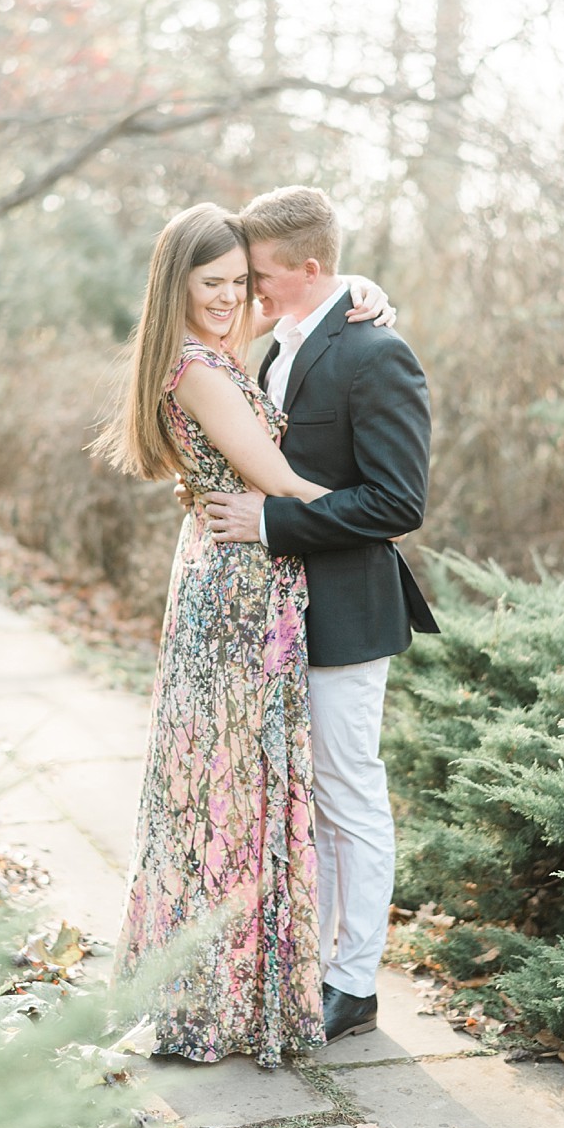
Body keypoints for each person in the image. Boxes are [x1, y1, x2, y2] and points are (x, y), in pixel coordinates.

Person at [96, 202, 393, 1069]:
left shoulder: (224, 343)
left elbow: (307, 296)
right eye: (213, 285)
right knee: (224, 788)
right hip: (236, 589)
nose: (232, 298)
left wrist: (365, 293)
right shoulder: (197, 368)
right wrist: (370, 515)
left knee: (239, 782)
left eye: (239, 282)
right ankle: (213, 993)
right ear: (176, 289)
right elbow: (284, 482)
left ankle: (245, 976)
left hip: (242, 578)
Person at [201, 186, 439, 1046]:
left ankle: (355, 983)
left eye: (263, 277)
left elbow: (396, 502)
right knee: (305, 795)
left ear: (310, 269)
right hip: (278, 614)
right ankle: (312, 955)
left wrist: (271, 521)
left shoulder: (378, 355)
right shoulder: (285, 341)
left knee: (349, 791)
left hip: (346, 610)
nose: (250, 293)